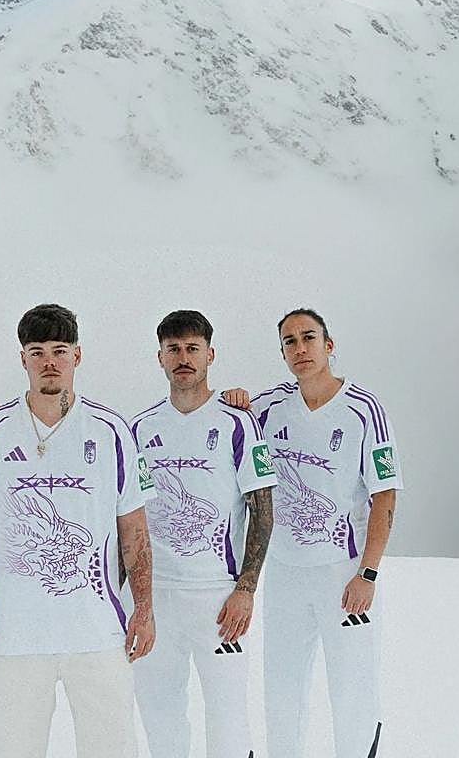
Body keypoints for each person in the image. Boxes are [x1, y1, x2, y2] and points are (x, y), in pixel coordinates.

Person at [0, 303, 155, 758]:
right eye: (37, 352)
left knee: (113, 749)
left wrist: (143, 608)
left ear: (77, 355)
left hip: (98, 634)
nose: (49, 362)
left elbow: (134, 530)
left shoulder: (111, 431)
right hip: (13, 636)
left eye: (59, 351)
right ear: (22, 358)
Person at [246, 308, 402, 758]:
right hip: (285, 572)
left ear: (329, 345)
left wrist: (367, 573)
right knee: (282, 689)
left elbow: (385, 496)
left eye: (308, 338)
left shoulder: (363, 409)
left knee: (352, 688)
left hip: (342, 574)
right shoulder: (269, 407)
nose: (300, 348)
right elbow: (231, 421)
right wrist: (233, 398)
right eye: (289, 341)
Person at [129, 310, 275, 758]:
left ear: (210, 355)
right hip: (156, 597)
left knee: (228, 718)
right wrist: (131, 598)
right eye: (173, 349)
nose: (183, 358)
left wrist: (245, 589)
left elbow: (263, 510)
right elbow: (127, 518)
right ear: (159, 357)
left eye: (192, 348)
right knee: (160, 716)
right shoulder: (140, 428)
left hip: (217, 598)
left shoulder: (237, 423)